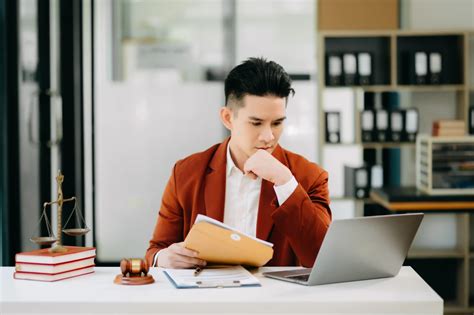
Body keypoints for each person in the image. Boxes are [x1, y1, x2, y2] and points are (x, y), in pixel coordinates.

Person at [145, 57, 331, 269]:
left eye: (277, 123)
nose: (269, 136)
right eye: (256, 123)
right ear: (227, 118)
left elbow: (322, 259)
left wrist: (285, 182)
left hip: (275, 299)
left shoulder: (309, 176)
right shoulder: (187, 173)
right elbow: (155, 251)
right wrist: (163, 258)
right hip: (206, 297)